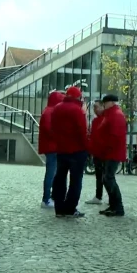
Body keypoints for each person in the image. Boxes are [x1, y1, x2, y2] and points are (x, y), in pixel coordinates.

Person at [51, 86, 89, 218]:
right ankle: (70, 208)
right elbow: (82, 132)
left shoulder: (57, 108)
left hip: (61, 149)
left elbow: (53, 128)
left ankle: (59, 208)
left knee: (60, 178)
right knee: (75, 181)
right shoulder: (77, 111)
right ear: (78, 97)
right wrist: (87, 148)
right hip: (77, 150)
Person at [90, 94, 127, 217]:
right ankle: (113, 206)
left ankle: (118, 207)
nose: (103, 105)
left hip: (112, 153)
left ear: (110, 103)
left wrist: (106, 149)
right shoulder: (111, 114)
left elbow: (114, 136)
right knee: (107, 178)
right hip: (109, 152)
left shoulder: (115, 115)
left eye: (104, 103)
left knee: (108, 179)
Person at [38, 91, 64, 208]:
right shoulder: (51, 112)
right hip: (52, 146)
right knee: (51, 173)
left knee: (52, 173)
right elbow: (50, 130)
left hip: (51, 146)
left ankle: (49, 198)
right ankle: (46, 198)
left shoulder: (48, 110)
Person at [84, 100, 106, 206]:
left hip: (104, 152)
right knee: (99, 175)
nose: (95, 109)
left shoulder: (105, 120)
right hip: (97, 152)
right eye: (94, 107)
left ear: (103, 106)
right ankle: (98, 196)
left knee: (106, 176)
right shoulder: (95, 121)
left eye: (97, 107)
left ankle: (108, 196)